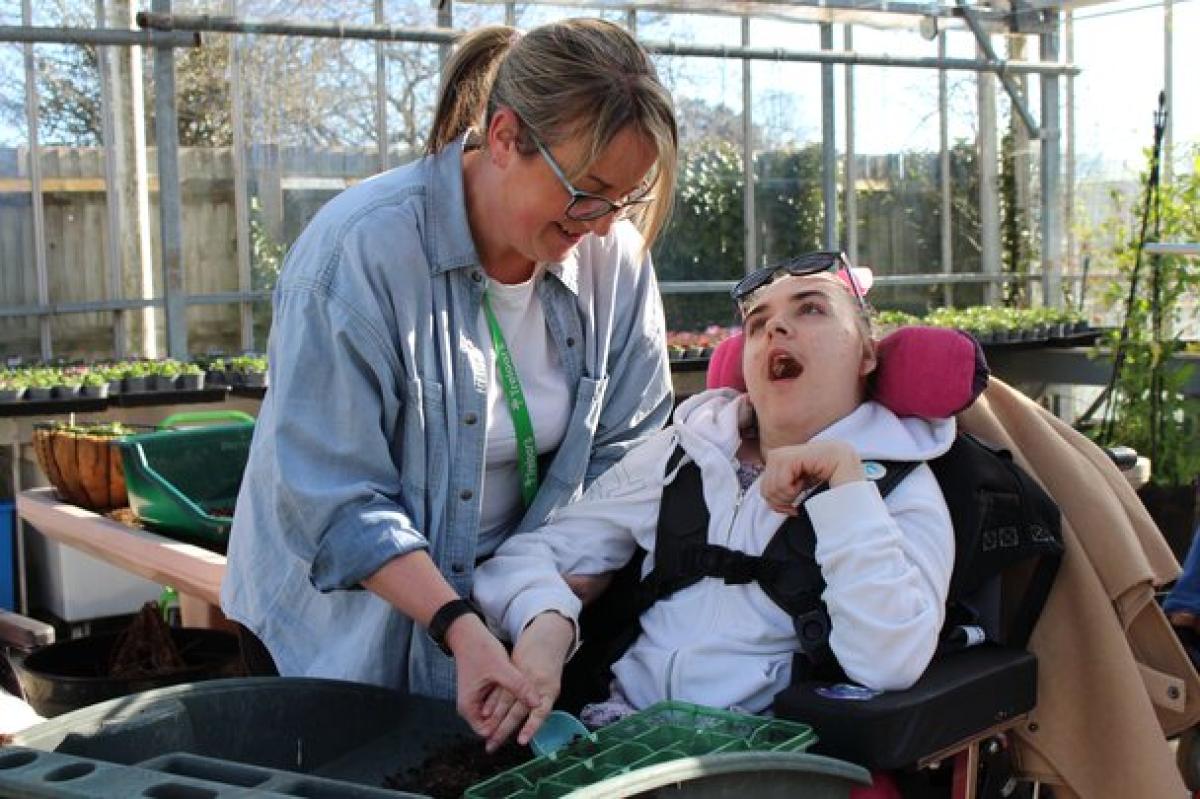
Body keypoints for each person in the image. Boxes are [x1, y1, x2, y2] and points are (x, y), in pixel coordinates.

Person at [219, 18, 679, 738]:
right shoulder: (357, 257)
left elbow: (631, 462)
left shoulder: (611, 258)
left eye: (622, 199)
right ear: (503, 138)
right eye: (586, 191)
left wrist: (546, 612)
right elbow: (338, 500)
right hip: (341, 640)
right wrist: (461, 626)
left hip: (513, 624)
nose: (600, 223)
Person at [473, 253, 957, 752]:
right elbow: (525, 558)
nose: (777, 329)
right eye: (757, 323)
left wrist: (843, 483)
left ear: (866, 355)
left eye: (810, 309)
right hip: (616, 738)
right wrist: (545, 620)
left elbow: (889, 661)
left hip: (765, 761)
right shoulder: (681, 454)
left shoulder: (898, 486)